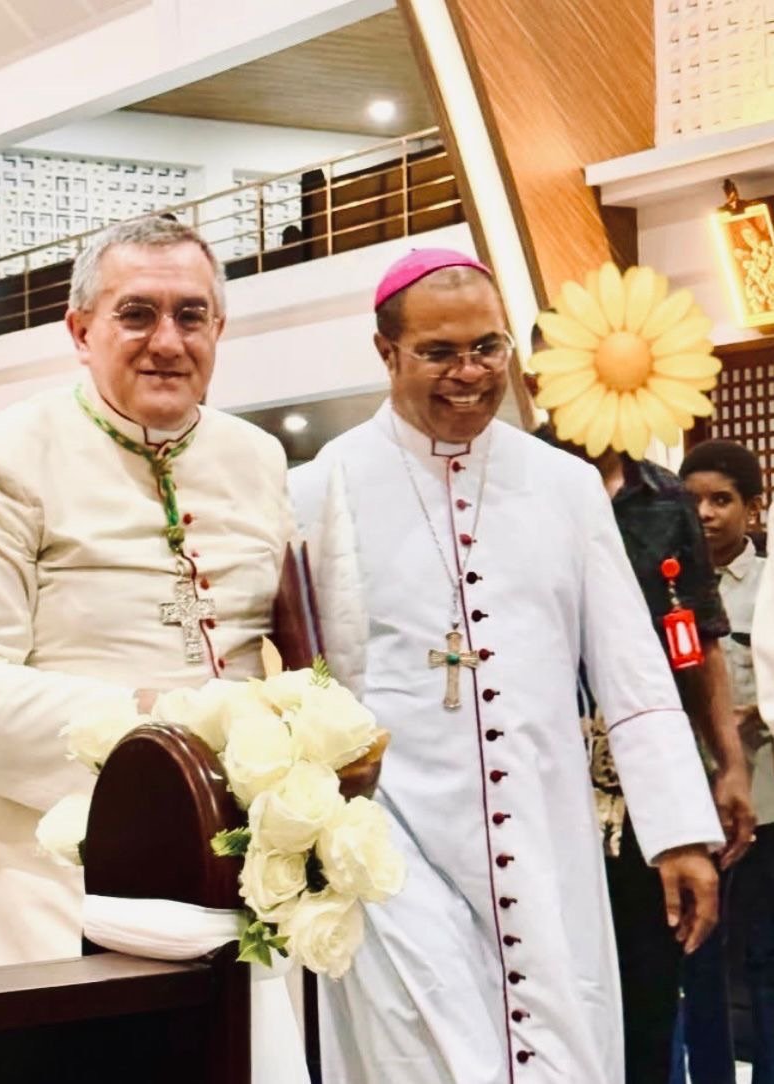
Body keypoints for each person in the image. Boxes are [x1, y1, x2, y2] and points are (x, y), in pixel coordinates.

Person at [289, 247, 726, 1084]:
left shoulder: (564, 487)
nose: (470, 373)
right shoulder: (319, 488)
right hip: (393, 844)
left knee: (561, 1041)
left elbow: (631, 669)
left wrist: (677, 833)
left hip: (542, 829)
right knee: (421, 1057)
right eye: (439, 352)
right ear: (385, 352)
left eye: (486, 347)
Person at [0, 216, 295, 975]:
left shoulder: (258, 457)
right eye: (136, 313)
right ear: (80, 330)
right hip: (41, 883)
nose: (167, 341)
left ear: (219, 329)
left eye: (190, 315)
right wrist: (159, 730)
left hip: (232, 880)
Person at [527, 326, 754, 1084]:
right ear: (541, 381)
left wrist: (726, 764)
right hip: (539, 778)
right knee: (552, 983)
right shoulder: (512, 488)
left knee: (652, 979)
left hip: (645, 783)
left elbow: (701, 640)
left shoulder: (667, 501)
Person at [680, 440, 774, 1084]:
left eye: (721, 500)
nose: (706, 514)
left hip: (765, 800)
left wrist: (758, 711)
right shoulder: (662, 582)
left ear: (753, 507)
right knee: (697, 960)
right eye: (693, 501)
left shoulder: (770, 585)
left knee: (765, 956)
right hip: (686, 807)